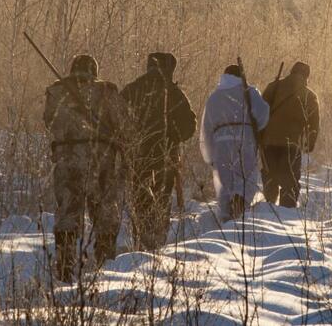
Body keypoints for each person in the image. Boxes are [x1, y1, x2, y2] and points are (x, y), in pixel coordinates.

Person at [43, 55, 134, 281]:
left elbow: (49, 123)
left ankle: (65, 268)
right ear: (94, 71)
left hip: (67, 161)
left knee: (67, 213)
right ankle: (105, 268)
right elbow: (125, 124)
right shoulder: (107, 92)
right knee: (105, 214)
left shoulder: (56, 92)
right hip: (101, 161)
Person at [121, 52, 197, 252]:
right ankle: (156, 247)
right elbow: (189, 126)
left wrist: (130, 139)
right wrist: (173, 136)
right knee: (162, 199)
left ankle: (139, 245)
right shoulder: (174, 93)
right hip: (166, 156)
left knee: (140, 198)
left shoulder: (132, 90)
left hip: (137, 155)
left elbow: (116, 118)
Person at [199, 64, 270, 222]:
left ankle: (226, 216)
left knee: (225, 180)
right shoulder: (249, 92)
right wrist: (255, 126)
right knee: (247, 175)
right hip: (244, 139)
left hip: (220, 144)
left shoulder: (214, 97)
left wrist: (209, 154)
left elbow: (207, 128)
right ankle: (239, 203)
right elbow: (263, 114)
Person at [260, 62, 320, 208]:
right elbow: (314, 123)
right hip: (292, 143)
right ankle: (286, 211)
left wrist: (258, 136)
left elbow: (260, 112)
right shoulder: (309, 95)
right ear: (306, 76)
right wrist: (310, 143)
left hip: (269, 141)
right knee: (290, 179)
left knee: (270, 176)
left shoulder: (273, 87)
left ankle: (269, 207)